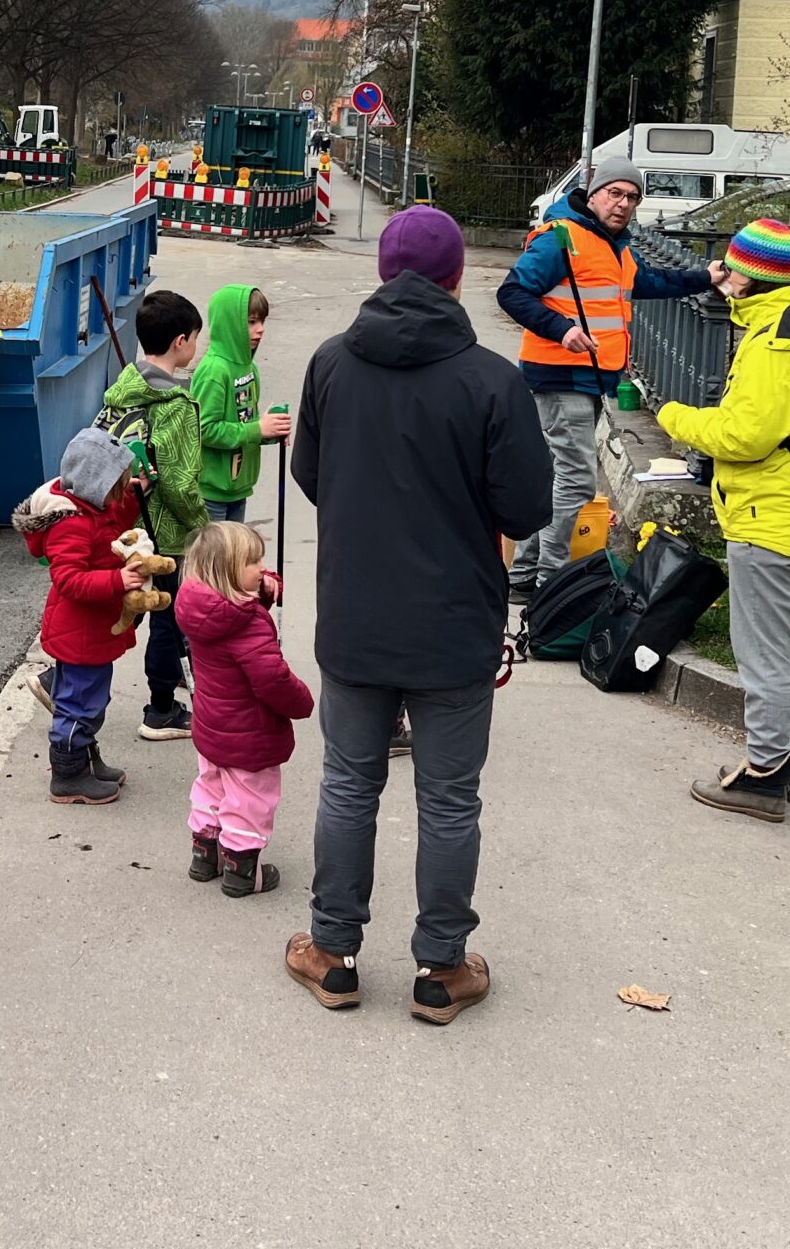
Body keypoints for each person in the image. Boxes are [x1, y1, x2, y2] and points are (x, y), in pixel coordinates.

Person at [286, 206, 551, 1024]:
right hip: (454, 624)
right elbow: (528, 507)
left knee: (347, 783)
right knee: (449, 799)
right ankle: (441, 968)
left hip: (356, 617)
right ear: (456, 277)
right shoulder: (493, 380)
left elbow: (312, 476)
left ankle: (333, 954)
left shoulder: (331, 363)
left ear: (381, 273)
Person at [655, 219, 790, 822]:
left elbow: (746, 436)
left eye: (730, 268)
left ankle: (766, 775)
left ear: (749, 277)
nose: (722, 277)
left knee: (763, 655)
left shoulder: (776, 344)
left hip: (767, 517)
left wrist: (676, 417)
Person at [496, 158, 711, 603]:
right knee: (575, 480)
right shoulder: (562, 238)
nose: (623, 204)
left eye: (632, 197)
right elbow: (512, 292)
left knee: (557, 476)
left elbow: (651, 281)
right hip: (560, 375)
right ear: (593, 194)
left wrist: (705, 277)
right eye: (615, 193)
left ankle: (523, 576)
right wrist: (562, 330)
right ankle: (550, 581)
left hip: (591, 378)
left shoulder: (617, 247)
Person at [13, 427, 155, 805]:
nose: (118, 496)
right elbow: (69, 580)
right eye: (116, 488)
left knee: (90, 698)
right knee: (78, 704)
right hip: (80, 632)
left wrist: (134, 496)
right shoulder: (70, 523)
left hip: (91, 630)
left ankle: (85, 760)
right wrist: (117, 580)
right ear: (96, 484)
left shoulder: (93, 507)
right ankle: (68, 774)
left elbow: (113, 524)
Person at [174, 519, 311, 897]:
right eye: (253, 562)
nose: (263, 569)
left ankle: (205, 853)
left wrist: (263, 591)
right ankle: (242, 868)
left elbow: (235, 613)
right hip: (250, 732)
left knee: (211, 784)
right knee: (250, 797)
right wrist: (302, 702)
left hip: (212, 724)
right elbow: (272, 679)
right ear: (228, 572)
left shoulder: (199, 609)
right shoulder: (248, 626)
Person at [97, 289, 209, 741]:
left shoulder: (123, 390)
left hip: (122, 522)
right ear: (181, 341)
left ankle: (62, 674)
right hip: (163, 532)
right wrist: (203, 526)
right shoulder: (176, 407)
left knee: (127, 606)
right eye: (195, 338)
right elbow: (180, 483)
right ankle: (161, 708)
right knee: (167, 615)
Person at [192, 284, 291, 525]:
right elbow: (203, 429)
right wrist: (258, 429)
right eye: (251, 322)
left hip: (238, 486)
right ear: (229, 324)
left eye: (262, 321)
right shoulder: (215, 371)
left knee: (236, 549)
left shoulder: (249, 367)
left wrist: (269, 430)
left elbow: (245, 422)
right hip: (212, 491)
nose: (260, 329)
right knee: (217, 550)